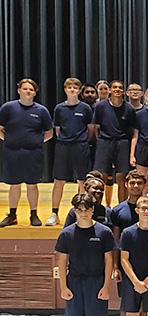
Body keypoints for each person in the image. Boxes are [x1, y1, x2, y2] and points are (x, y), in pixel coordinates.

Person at [55, 193, 115, 316]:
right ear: (74, 211)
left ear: (92, 210)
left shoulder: (104, 232)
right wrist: (63, 287)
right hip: (74, 281)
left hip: (96, 281)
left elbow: (109, 260)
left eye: (86, 209)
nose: (83, 213)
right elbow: (62, 261)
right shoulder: (66, 234)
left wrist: (106, 286)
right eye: (79, 210)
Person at [47, 78, 93, 226]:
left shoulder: (85, 108)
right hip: (63, 146)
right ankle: (54, 213)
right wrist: (66, 140)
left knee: (81, 180)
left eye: (75, 87)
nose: (72, 90)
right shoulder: (59, 108)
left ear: (79, 91)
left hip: (80, 146)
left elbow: (90, 129)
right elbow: (58, 130)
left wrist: (82, 140)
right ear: (65, 90)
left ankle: (81, 211)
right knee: (59, 180)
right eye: (69, 87)